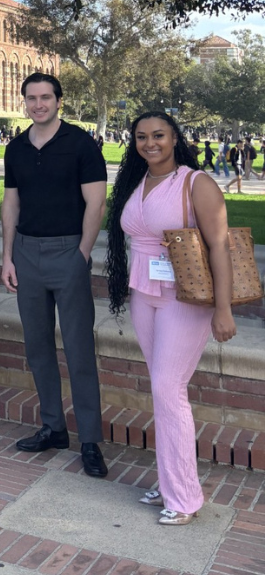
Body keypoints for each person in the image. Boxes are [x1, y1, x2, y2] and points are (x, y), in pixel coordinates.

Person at [106, 111, 236, 526]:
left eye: (158, 135)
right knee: (163, 390)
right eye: (142, 137)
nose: (150, 143)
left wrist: (224, 308)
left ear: (174, 137)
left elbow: (219, 246)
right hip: (145, 294)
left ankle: (184, 497)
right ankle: (169, 483)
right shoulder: (136, 181)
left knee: (168, 387)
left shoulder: (196, 183)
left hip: (186, 296)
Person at [1, 73, 109, 477]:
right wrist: (8, 256)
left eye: (46, 97)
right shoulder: (16, 148)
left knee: (79, 349)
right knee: (38, 347)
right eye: (31, 98)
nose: (38, 104)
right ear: (24, 102)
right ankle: (53, 426)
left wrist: (81, 254)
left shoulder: (81, 144)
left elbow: (95, 204)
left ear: (59, 101)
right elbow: (10, 205)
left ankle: (90, 440)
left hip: (68, 252)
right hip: (27, 253)